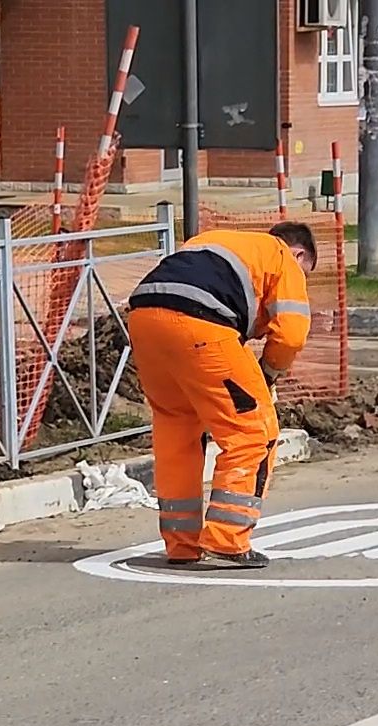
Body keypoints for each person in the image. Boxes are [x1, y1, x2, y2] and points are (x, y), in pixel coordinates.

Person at [126, 221, 317, 569]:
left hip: (144, 318)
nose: (301, 281)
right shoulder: (281, 256)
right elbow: (290, 334)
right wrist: (268, 372)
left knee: (176, 430)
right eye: (305, 273)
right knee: (254, 432)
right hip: (202, 324)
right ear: (299, 253)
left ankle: (181, 544)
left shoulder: (213, 241)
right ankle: (228, 537)